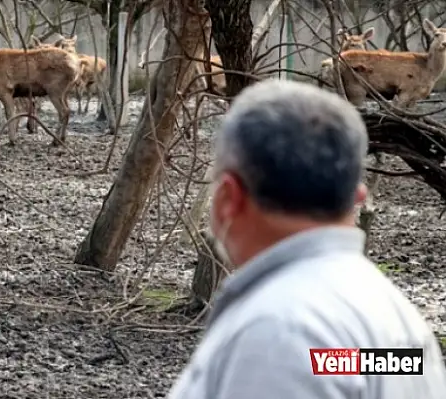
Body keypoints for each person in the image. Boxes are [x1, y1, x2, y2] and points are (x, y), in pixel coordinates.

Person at [167, 79, 446, 398]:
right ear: (357, 197)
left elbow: (315, 362)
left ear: (228, 199)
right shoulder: (400, 319)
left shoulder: (280, 330)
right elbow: (337, 365)